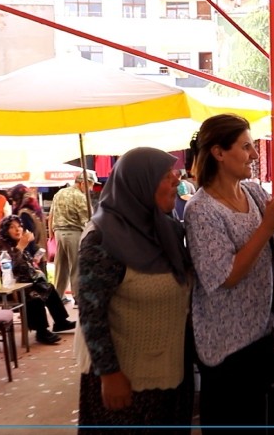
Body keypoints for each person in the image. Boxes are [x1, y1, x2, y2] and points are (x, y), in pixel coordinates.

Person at [184, 114, 274, 433]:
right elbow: (226, 276)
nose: (254, 154)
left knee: (264, 422)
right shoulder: (201, 209)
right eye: (246, 146)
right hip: (228, 347)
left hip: (264, 336)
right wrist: (268, 226)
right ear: (219, 153)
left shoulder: (254, 192)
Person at [75, 147, 194, 434]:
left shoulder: (168, 231)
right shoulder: (102, 240)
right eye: (166, 176)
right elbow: (91, 314)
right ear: (139, 184)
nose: (176, 181)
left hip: (172, 376)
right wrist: (109, 374)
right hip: (125, 385)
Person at [0, 215, 77, 345]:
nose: (17, 230)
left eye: (19, 226)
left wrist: (33, 262)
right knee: (34, 296)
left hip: (24, 282)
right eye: (12, 227)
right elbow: (8, 268)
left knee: (48, 288)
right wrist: (20, 247)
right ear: (5, 230)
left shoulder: (16, 242)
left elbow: (26, 264)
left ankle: (60, 322)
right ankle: (41, 332)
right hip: (9, 286)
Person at [49, 171, 97, 304]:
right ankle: (78, 298)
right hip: (73, 232)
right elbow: (88, 220)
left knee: (61, 266)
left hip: (58, 233)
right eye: (91, 185)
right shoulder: (81, 197)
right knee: (76, 266)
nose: (91, 189)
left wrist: (51, 234)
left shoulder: (59, 193)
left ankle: (58, 297)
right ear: (83, 183)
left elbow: (51, 215)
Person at [9, 184, 49, 277]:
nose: (13, 203)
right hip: (41, 254)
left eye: (13, 200)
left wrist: (29, 258)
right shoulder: (36, 210)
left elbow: (28, 237)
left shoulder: (24, 213)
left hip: (33, 258)